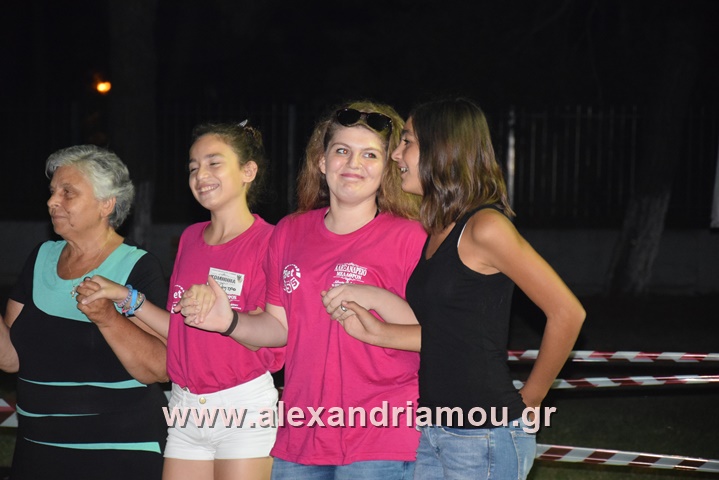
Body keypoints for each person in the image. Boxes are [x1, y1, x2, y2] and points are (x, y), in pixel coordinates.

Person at [322, 98, 586, 480]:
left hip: (484, 434)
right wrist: (377, 331)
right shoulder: (437, 230)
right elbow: (453, 335)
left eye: (407, 141)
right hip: (434, 431)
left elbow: (567, 312)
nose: (396, 154)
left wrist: (532, 398)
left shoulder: (485, 227)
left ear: (440, 148)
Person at [176, 101, 427, 479]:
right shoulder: (290, 231)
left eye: (370, 155)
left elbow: (435, 334)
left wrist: (378, 298)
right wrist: (228, 321)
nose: (353, 164)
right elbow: (279, 328)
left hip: (381, 436)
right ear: (322, 162)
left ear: (387, 167)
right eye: (341, 151)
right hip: (301, 437)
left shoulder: (412, 236)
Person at [80, 122, 282, 480]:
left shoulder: (271, 242)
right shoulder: (190, 238)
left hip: (242, 406)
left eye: (214, 163)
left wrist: (226, 316)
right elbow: (181, 331)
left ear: (248, 171)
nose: (200, 175)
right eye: (193, 167)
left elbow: (271, 334)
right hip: (185, 404)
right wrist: (127, 297)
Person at [0, 145, 169, 479]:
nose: (52, 201)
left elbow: (159, 369)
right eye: (52, 192)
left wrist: (107, 318)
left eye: (68, 192)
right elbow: (11, 359)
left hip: (118, 452)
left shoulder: (136, 266)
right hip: (37, 449)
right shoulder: (40, 258)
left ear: (106, 204)